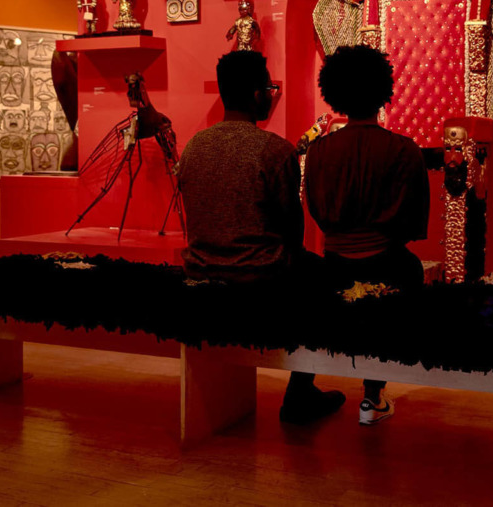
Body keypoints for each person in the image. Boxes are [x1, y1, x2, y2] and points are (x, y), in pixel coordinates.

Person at [176, 49, 345, 424]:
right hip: (260, 277)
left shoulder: (194, 147)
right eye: (269, 88)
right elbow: (292, 231)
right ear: (256, 94)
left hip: (200, 270)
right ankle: (300, 391)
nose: (270, 95)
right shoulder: (273, 150)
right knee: (327, 277)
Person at [303, 45, 430, 425]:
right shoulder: (404, 150)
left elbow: (316, 209)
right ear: (382, 90)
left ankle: (302, 387)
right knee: (411, 270)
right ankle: (372, 397)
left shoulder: (318, 151)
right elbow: (412, 224)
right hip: (389, 265)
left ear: (334, 92)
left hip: (334, 267)